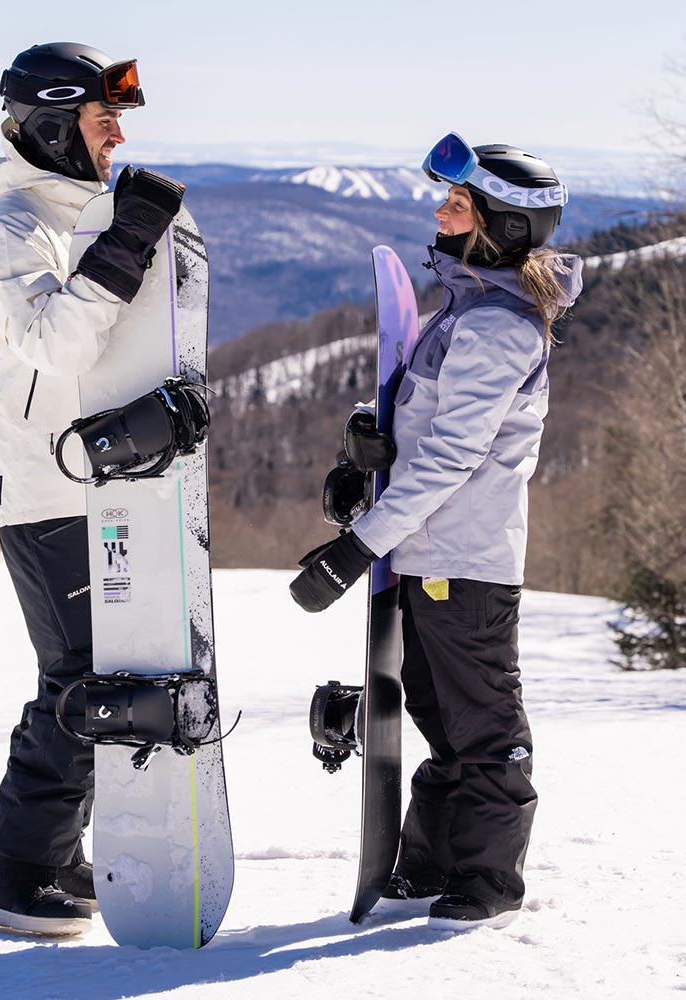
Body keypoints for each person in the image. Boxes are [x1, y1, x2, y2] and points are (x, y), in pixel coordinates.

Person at [289, 133, 584, 931]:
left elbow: (455, 457)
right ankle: (430, 861)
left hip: (467, 560)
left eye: (456, 204)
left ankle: (488, 881)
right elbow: (430, 430)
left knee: (484, 725)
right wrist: (367, 455)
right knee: (436, 716)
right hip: (427, 554)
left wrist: (359, 546)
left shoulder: (497, 326)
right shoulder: (465, 309)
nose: (438, 211)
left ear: (499, 226)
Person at [0, 42, 185, 935]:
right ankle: (17, 874)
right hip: (37, 484)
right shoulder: (11, 229)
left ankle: (53, 852)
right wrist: (130, 236)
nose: (118, 136)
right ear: (57, 124)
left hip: (77, 476)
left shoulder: (63, 215)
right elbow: (57, 344)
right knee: (80, 675)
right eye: (104, 120)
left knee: (94, 669)